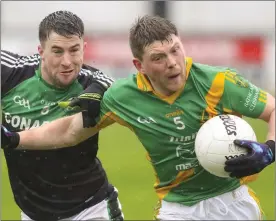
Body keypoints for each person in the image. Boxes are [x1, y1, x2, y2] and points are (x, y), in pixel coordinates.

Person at [2, 15, 275, 220]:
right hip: (178, 208)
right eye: (158, 57)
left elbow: (273, 110)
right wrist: (13, 139)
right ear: (139, 65)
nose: (171, 62)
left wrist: (270, 149)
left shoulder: (219, 82)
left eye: (175, 50)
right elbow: (70, 131)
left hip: (234, 201)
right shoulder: (123, 97)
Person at [1, 10, 123, 221]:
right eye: (57, 51)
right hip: (32, 213)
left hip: (90, 209)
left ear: (84, 49)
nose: (67, 61)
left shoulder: (92, 86)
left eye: (74, 50)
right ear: (41, 51)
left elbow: (116, 85)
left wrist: (103, 85)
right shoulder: (12, 73)